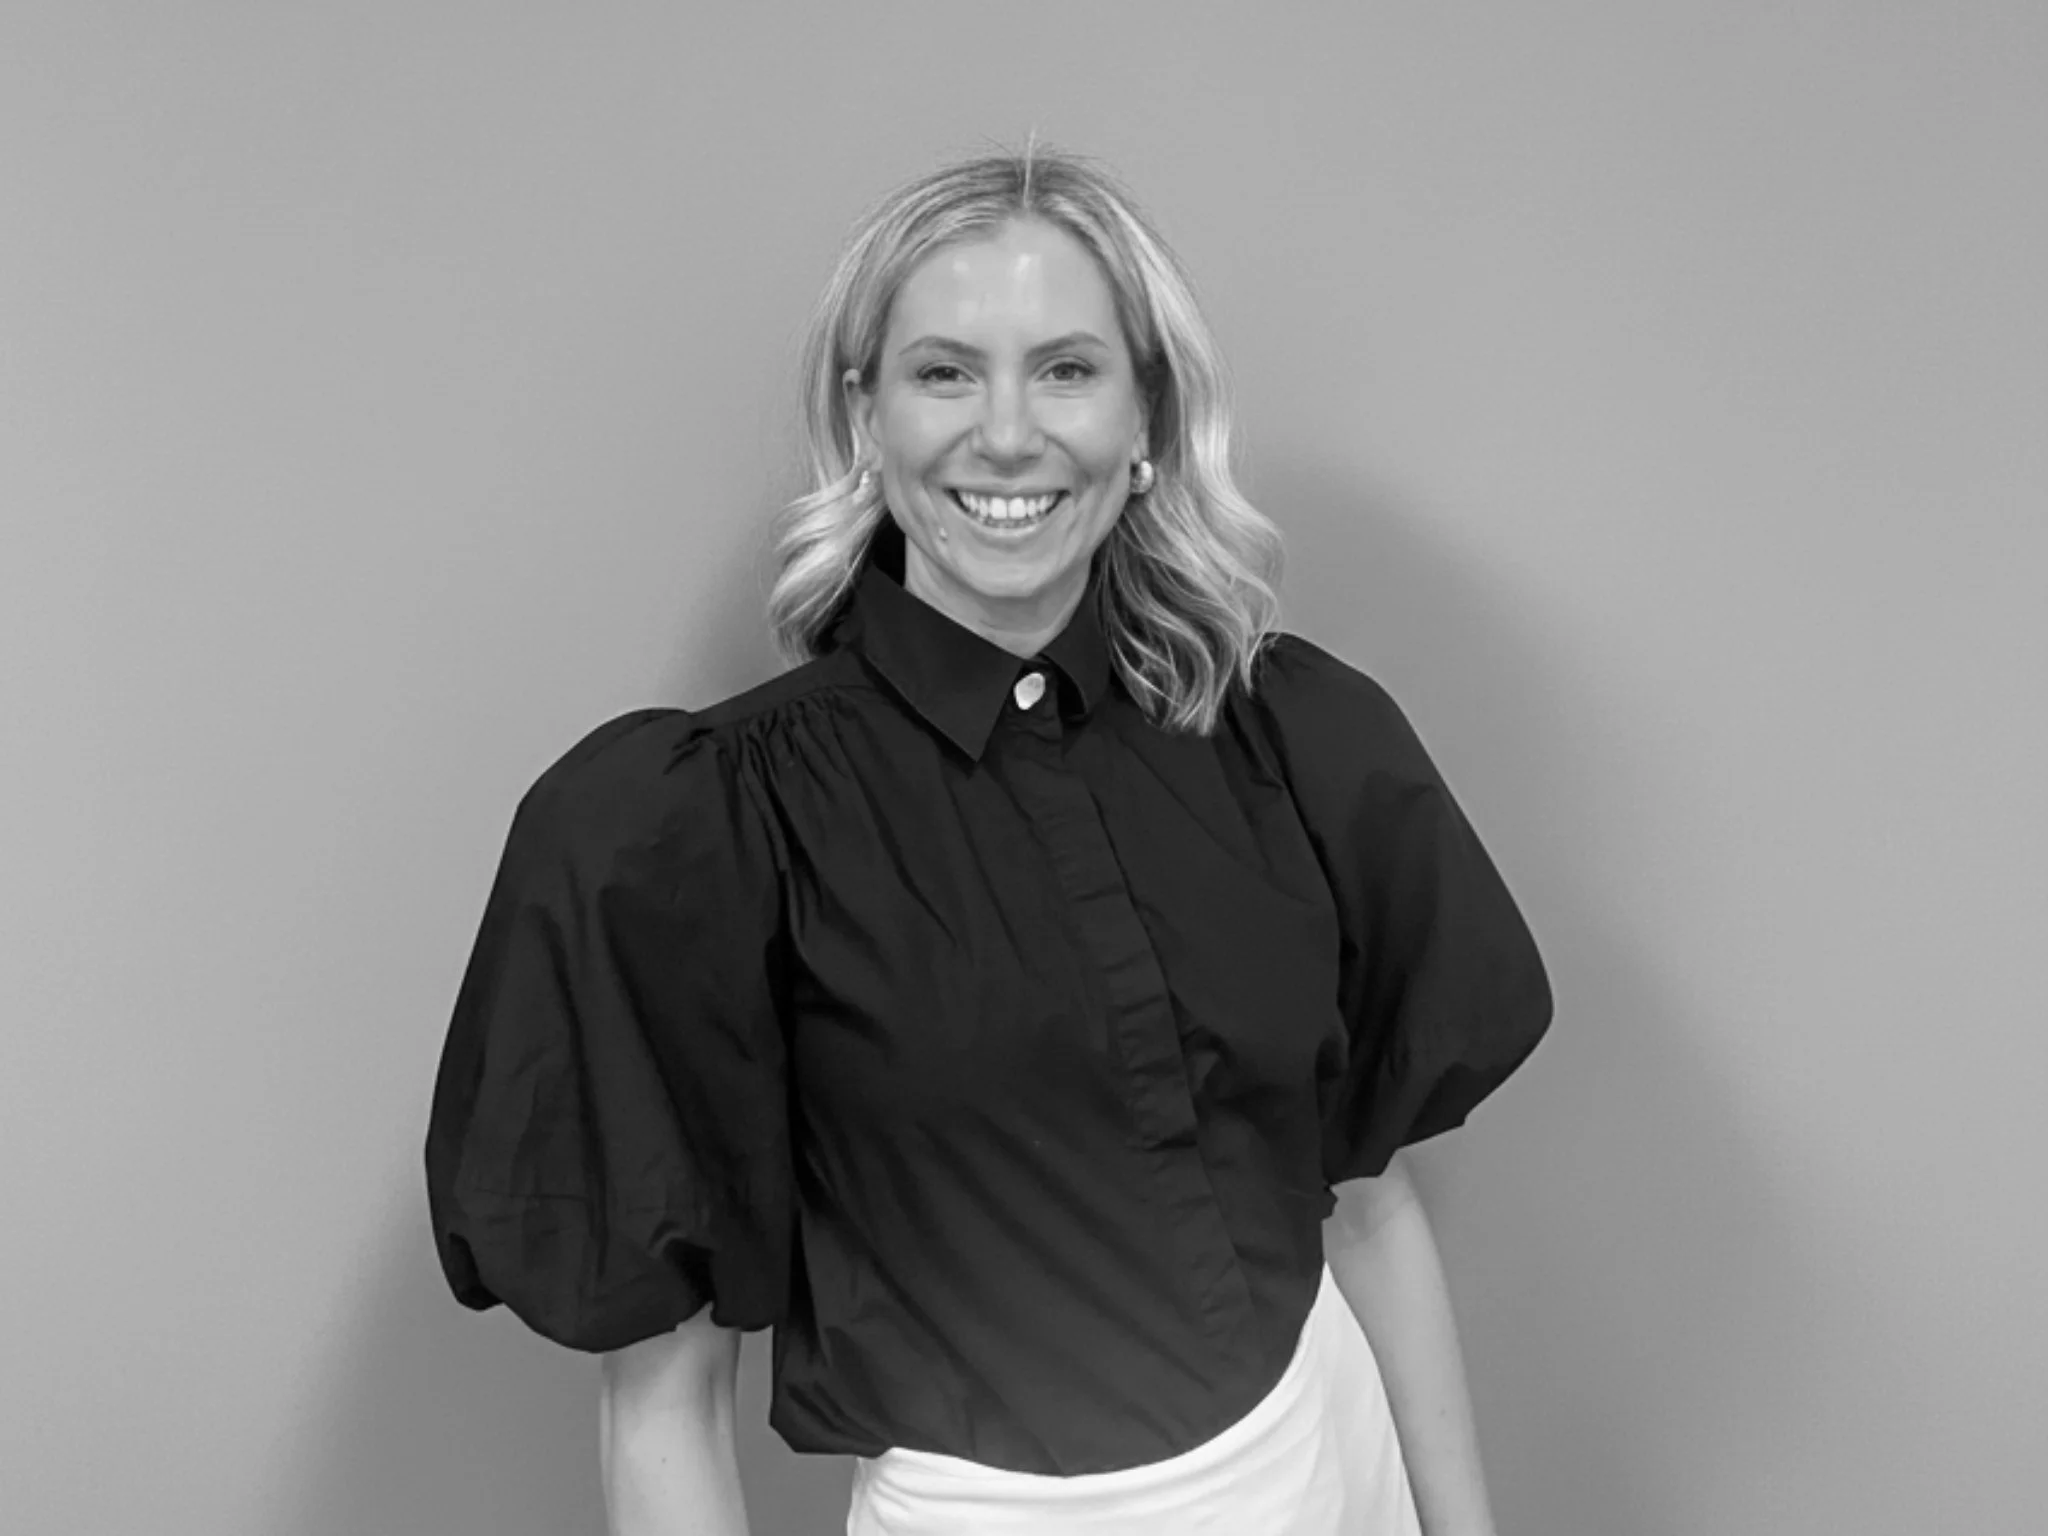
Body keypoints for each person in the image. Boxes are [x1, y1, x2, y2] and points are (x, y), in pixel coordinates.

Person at [424, 142, 1553, 1536]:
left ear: (1145, 420)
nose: (1006, 435)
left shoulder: (1292, 739)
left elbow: (1369, 1204)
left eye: (1068, 370)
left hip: (1333, 1459)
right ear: (866, 417)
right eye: (945, 372)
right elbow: (661, 1398)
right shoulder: (704, 829)